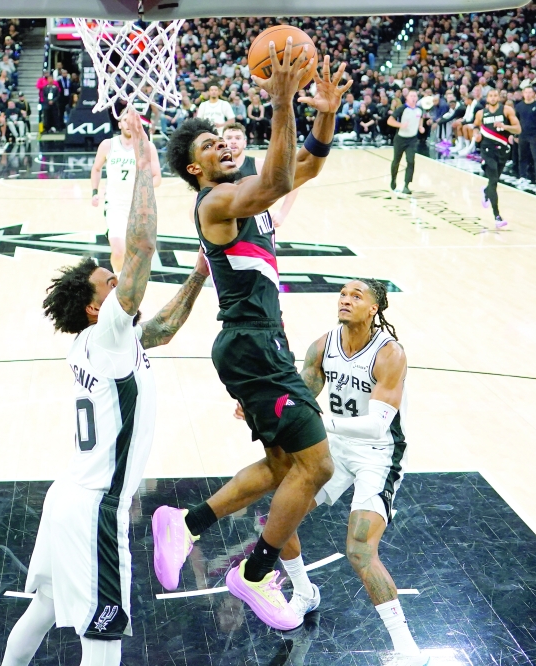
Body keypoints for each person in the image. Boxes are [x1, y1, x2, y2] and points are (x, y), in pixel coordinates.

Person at [1, 109, 209, 666]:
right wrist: (144, 159)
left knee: (43, 609)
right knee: (102, 635)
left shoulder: (98, 342)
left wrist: (198, 274)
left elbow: (160, 330)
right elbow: (139, 249)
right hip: (96, 507)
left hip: (65, 497)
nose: (118, 282)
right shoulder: (109, 332)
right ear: (98, 307)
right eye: (108, 284)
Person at [157, 40, 351, 631]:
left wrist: (324, 111)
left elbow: (305, 165)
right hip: (251, 344)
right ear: (196, 169)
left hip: (259, 344)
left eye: (225, 139)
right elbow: (278, 176)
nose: (223, 145)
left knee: (284, 466)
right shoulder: (217, 201)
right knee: (318, 467)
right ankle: (256, 569)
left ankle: (186, 524)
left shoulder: (252, 197)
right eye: (210, 145)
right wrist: (283, 101)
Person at [291, 278, 425, 664]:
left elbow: (376, 425)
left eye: (357, 295)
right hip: (334, 449)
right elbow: (301, 399)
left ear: (374, 309)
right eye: (343, 294)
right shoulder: (322, 346)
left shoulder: (389, 354)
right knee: (278, 520)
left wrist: (320, 423)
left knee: (360, 550)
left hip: (377, 455)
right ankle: (304, 593)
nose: (346, 299)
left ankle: (406, 649)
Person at [90, 118, 162, 274]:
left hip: (139, 207)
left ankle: (129, 283)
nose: (129, 124)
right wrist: (94, 192)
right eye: (125, 120)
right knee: (118, 250)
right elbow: (96, 169)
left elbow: (157, 178)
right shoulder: (108, 145)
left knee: (136, 255)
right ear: (120, 124)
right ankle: (117, 281)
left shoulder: (147, 146)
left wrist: (143, 186)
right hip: (115, 205)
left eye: (133, 121)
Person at [222, 122, 298, 228]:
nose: (233, 141)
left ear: (245, 142)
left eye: (238, 138)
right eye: (229, 138)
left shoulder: (259, 164)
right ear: (222, 143)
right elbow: (195, 209)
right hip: (227, 228)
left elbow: (293, 181)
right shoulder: (215, 170)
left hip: (257, 230)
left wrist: (282, 214)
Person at [473, 88, 521, 229]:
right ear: (487, 98)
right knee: (493, 180)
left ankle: (486, 191)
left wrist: (504, 126)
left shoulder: (507, 111)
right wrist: (477, 134)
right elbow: (475, 126)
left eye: (495, 96)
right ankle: (497, 216)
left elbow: (518, 129)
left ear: (499, 97)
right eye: (490, 96)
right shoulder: (481, 113)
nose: (493, 98)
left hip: (503, 149)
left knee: (495, 181)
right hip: (487, 150)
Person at [387, 90, 423, 196]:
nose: (413, 97)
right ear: (407, 98)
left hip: (412, 139)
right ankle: (393, 179)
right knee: (396, 161)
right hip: (400, 138)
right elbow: (390, 121)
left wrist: (420, 127)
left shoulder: (419, 110)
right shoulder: (402, 109)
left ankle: (406, 185)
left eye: (415, 96)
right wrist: (400, 125)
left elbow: (420, 119)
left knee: (411, 161)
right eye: (411, 95)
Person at [514, 85, 536, 188]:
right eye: (526, 92)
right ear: (523, 94)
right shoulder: (519, 106)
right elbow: (516, 121)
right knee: (522, 156)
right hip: (522, 134)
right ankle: (522, 176)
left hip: (534, 135)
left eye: (530, 92)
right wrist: (515, 134)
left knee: (535, 157)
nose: (528, 94)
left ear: (533, 94)